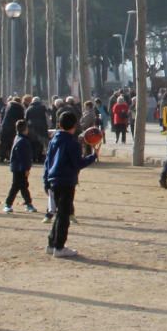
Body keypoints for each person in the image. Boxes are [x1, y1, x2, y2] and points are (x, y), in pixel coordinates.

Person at [43, 110, 98, 258]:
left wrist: (45, 181)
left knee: (58, 214)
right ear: (74, 125)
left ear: (59, 124)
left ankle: (51, 244)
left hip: (53, 180)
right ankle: (59, 247)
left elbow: (47, 162)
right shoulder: (72, 143)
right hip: (66, 181)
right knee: (64, 215)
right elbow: (78, 163)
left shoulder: (54, 140)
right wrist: (93, 156)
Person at [4, 119, 37, 214]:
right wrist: (27, 168)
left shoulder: (18, 138)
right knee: (16, 186)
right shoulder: (23, 141)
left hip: (17, 167)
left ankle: (28, 203)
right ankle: (8, 204)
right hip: (20, 168)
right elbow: (24, 157)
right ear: (25, 129)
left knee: (23, 186)